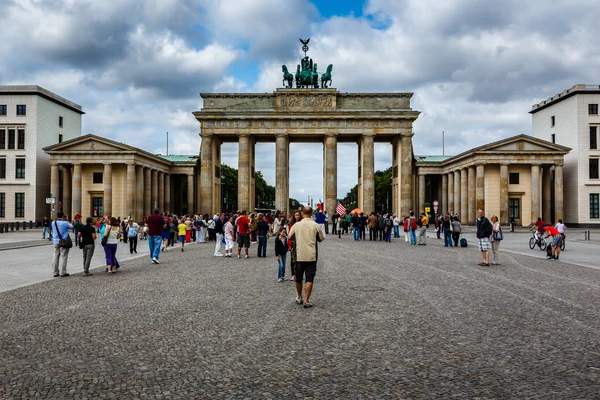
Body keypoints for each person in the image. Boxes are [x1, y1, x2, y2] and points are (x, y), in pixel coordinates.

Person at [289, 207, 325, 308]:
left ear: (302, 213)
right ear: (312, 213)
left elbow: (290, 236)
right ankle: (307, 300)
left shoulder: (296, 225)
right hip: (311, 256)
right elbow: (321, 238)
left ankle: (299, 297)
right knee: (309, 278)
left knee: (298, 279)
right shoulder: (315, 225)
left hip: (299, 255)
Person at [51, 212, 73, 278]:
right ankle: (63, 272)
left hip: (56, 241)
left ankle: (55, 272)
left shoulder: (53, 223)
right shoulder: (65, 223)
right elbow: (72, 226)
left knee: (55, 256)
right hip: (64, 241)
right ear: (63, 216)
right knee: (64, 256)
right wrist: (67, 220)